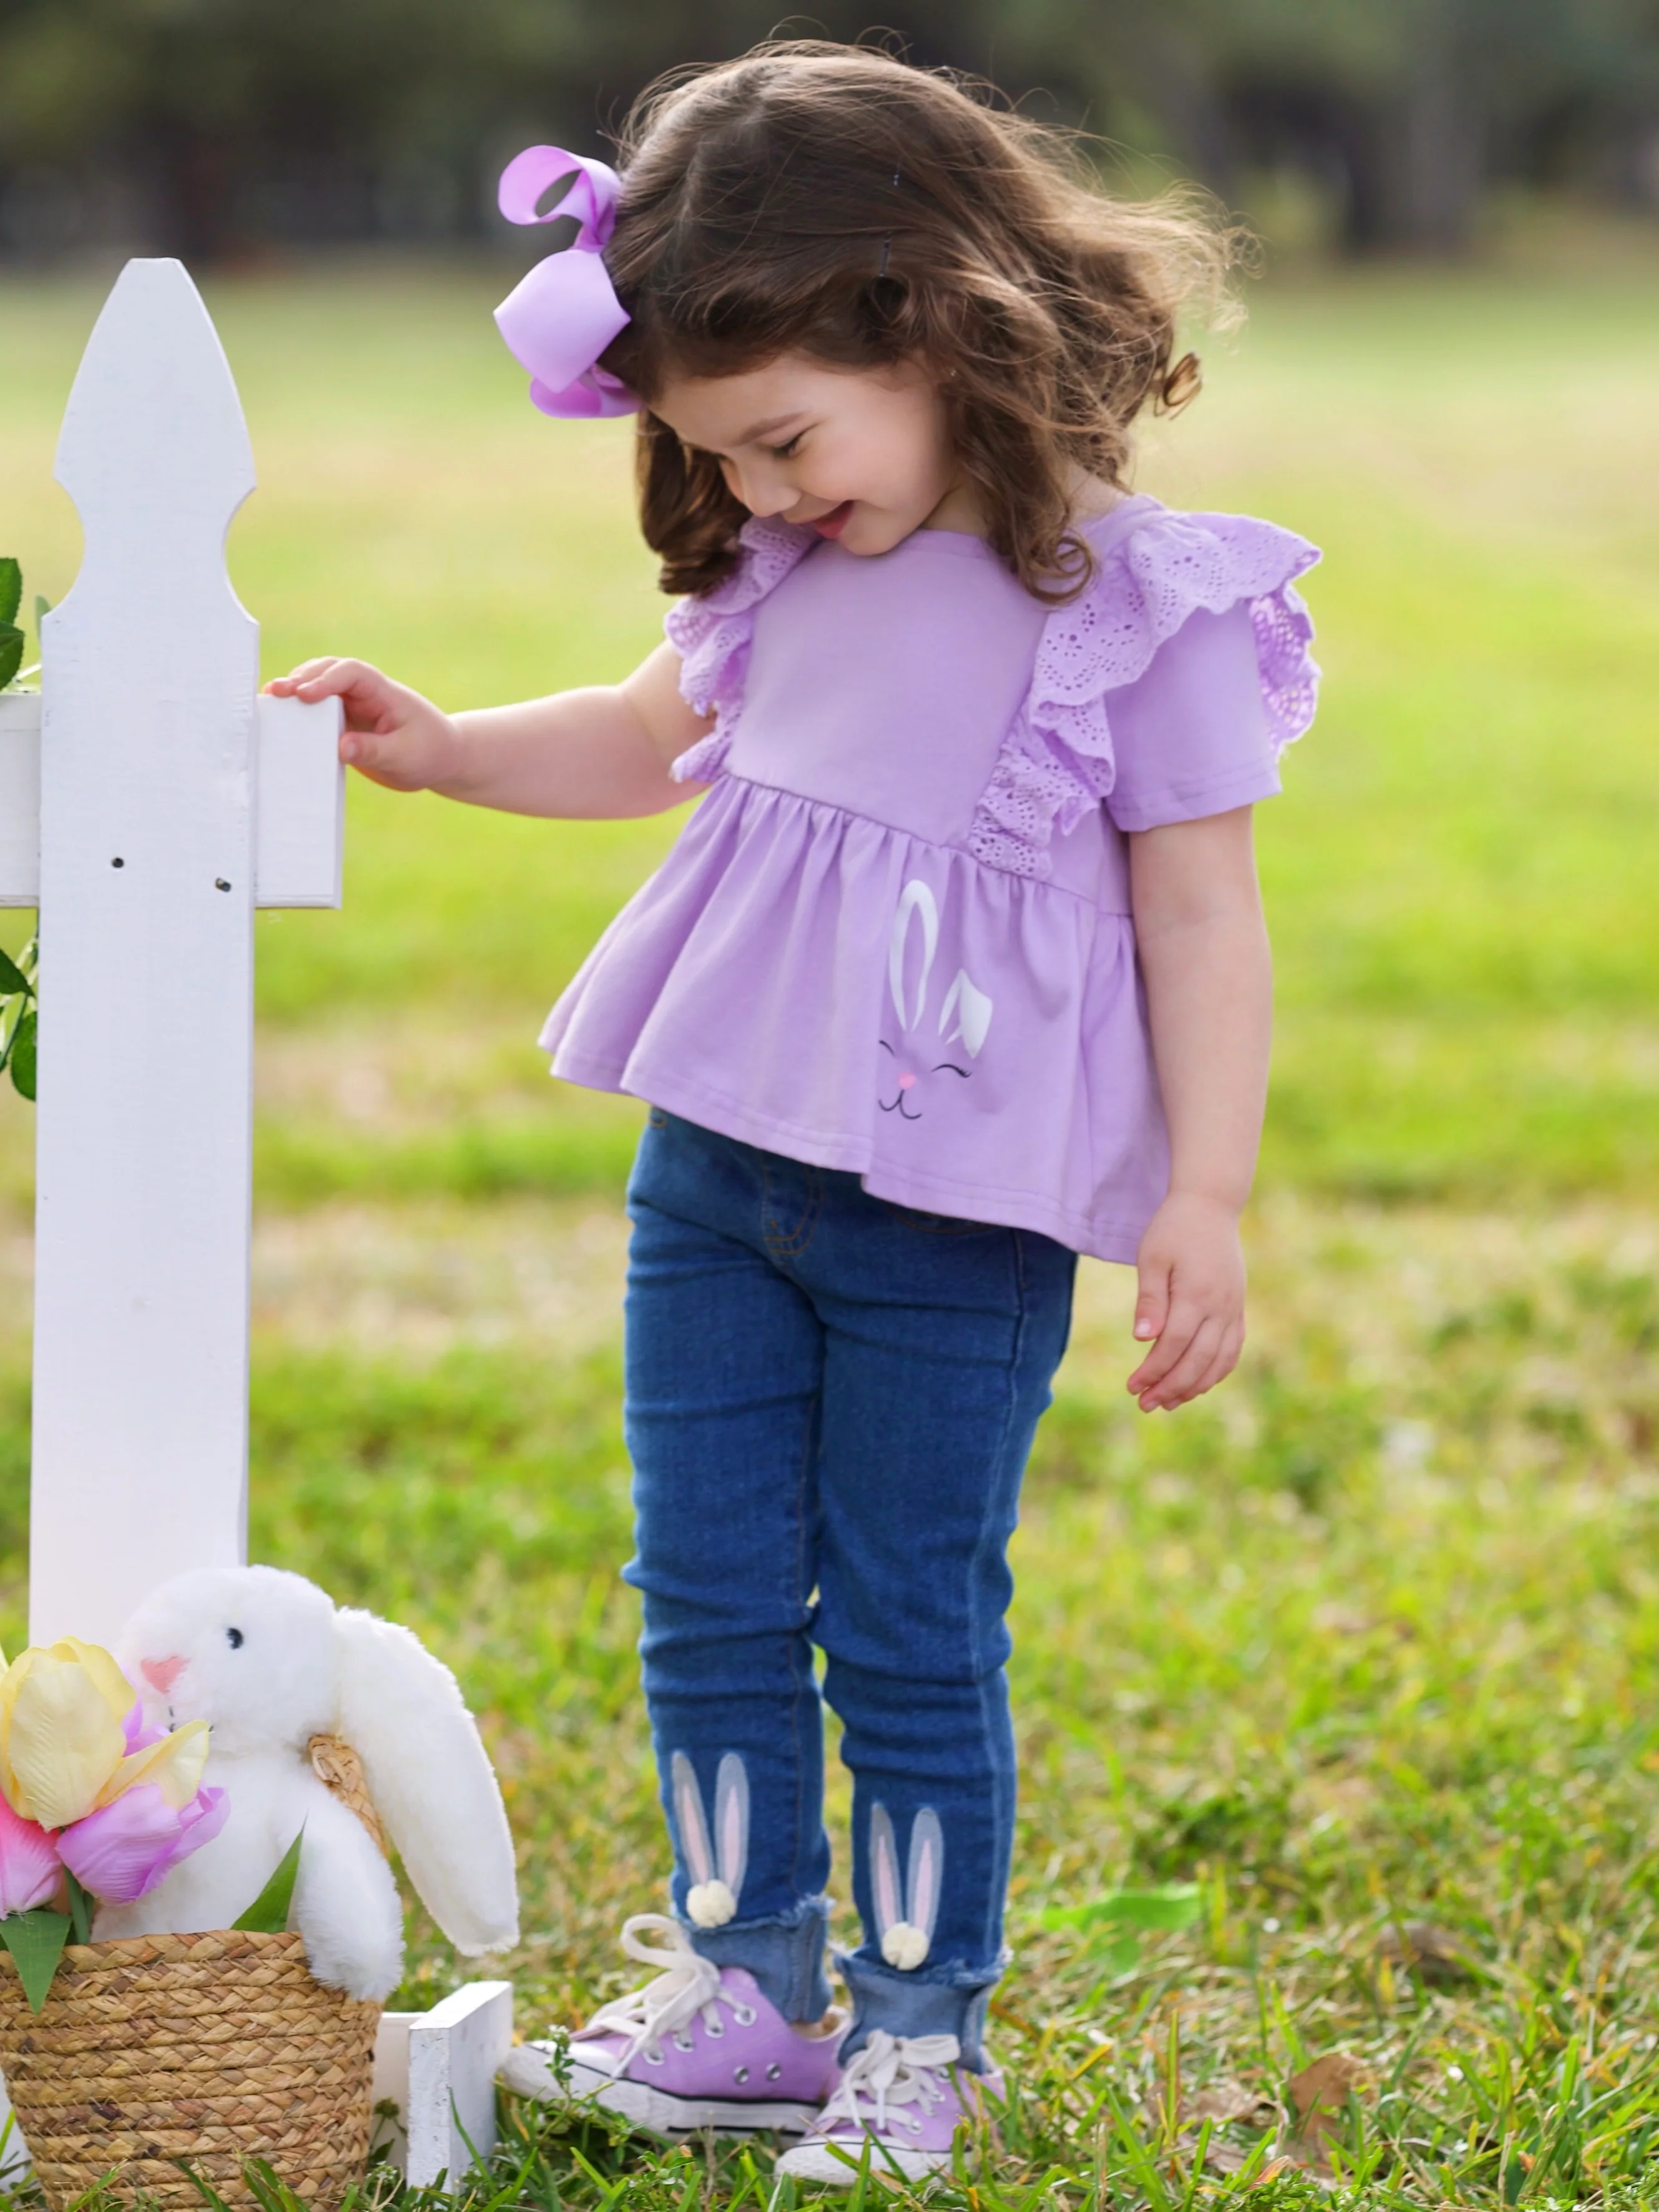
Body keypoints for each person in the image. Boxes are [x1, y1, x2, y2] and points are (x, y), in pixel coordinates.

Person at [268, 41, 1319, 2188]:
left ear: (934, 321)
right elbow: (649, 736)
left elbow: (1205, 919)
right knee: (709, 1592)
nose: (752, 493)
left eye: (777, 439)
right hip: (716, 1174)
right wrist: (449, 744)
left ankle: (921, 2040)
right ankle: (746, 1997)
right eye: (709, 454)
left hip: (957, 1214)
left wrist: (1203, 1194)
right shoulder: (779, 568)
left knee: (909, 1617)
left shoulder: (1139, 610)